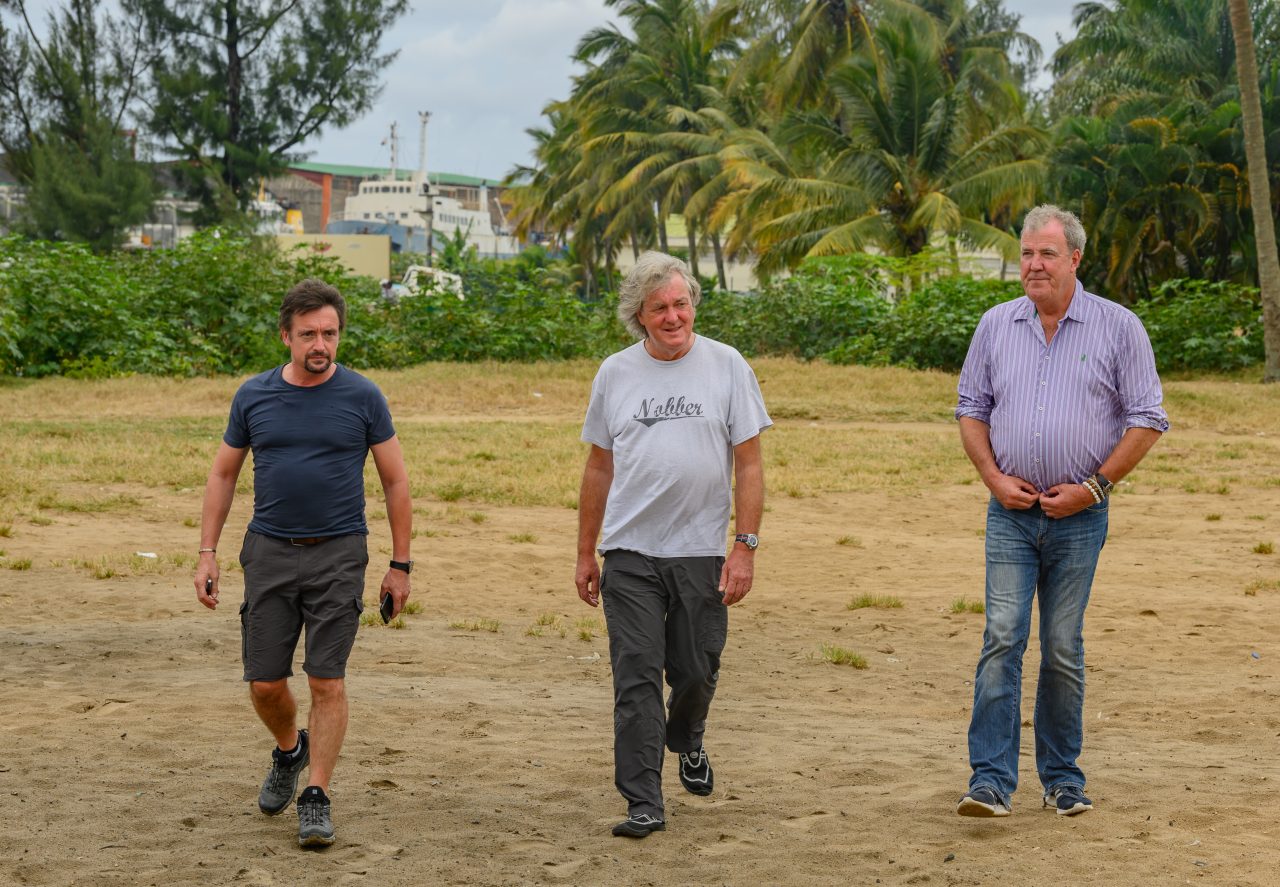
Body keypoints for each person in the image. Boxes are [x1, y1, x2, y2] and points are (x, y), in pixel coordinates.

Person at [954, 205, 1168, 818]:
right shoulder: (996, 325)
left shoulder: (1118, 326)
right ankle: (990, 781)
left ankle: (1063, 779)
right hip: (1010, 515)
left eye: (1047, 254)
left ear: (1075, 259)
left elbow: (1148, 417)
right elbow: (970, 407)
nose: (1033, 265)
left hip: (1080, 518)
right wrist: (994, 478)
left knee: (1063, 646)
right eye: (1026, 253)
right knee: (1001, 638)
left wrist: (1094, 488)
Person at [193, 278, 413, 848]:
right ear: (286, 336)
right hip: (268, 552)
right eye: (310, 334)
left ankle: (317, 795)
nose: (321, 344)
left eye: (331, 334)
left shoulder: (364, 397)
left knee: (326, 680)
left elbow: (395, 481)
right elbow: (223, 473)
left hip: (340, 554)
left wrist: (401, 564)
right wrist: (207, 553)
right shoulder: (254, 396)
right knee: (265, 683)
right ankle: (291, 750)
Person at [574, 251, 771, 839]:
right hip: (630, 552)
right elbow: (598, 468)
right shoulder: (615, 373)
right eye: (659, 308)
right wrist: (586, 551)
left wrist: (745, 545)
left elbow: (751, 463)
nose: (673, 316)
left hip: (701, 551)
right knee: (635, 674)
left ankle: (687, 740)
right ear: (639, 315)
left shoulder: (727, 366)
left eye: (681, 303)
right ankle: (643, 799)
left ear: (693, 305)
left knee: (695, 669)